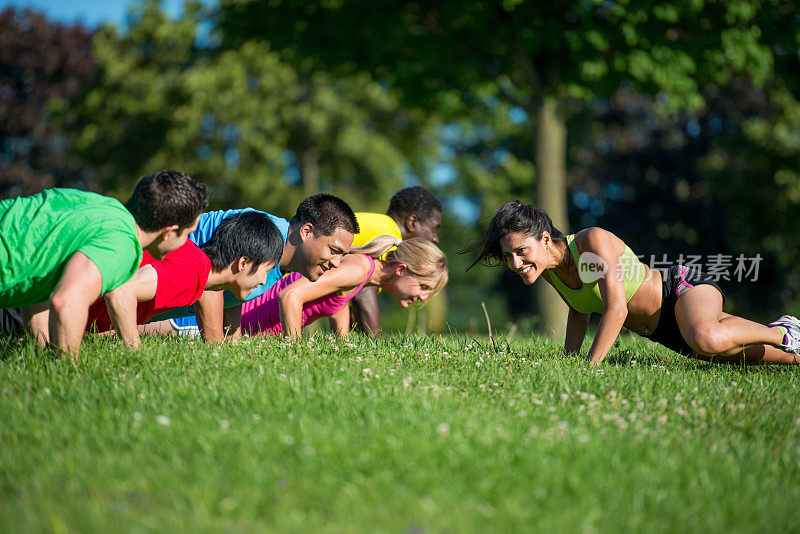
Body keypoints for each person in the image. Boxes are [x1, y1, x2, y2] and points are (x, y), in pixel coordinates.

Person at [467, 200, 800, 365]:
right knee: (780, 359)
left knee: (708, 338)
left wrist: (589, 367)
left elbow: (616, 309)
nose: (515, 263)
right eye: (509, 256)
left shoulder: (590, 242)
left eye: (521, 252)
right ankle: (790, 342)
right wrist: (569, 362)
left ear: (544, 238)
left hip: (679, 290)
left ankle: (782, 331)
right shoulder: (550, 270)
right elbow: (579, 312)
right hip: (662, 331)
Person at [0, 170, 208, 356]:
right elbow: (66, 301)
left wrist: (43, 355)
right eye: (188, 234)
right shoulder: (121, 243)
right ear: (169, 232)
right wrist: (65, 375)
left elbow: (38, 275)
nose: (187, 242)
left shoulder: (100, 206)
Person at [149, 236, 448, 339]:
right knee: (122, 332)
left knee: (132, 326)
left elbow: (337, 302)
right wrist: (294, 349)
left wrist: (341, 343)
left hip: (244, 329)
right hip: (234, 323)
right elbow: (291, 295)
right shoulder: (360, 268)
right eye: (424, 287)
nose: (423, 297)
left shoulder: (363, 272)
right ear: (401, 269)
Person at [157, 193, 360, 342]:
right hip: (142, 275)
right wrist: (216, 352)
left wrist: (233, 346)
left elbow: (232, 291)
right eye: (334, 250)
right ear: (306, 232)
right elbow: (211, 282)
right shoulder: (264, 234)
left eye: (342, 255)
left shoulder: (281, 255)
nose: (336, 262)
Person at [84, 212, 284, 348]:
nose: (264, 280)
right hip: (68, 307)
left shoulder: (195, 267)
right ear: (243, 263)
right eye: (266, 270)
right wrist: (134, 354)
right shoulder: (191, 272)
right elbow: (122, 291)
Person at [351, 186, 443, 335]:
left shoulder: (380, 224)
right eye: (434, 229)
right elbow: (363, 293)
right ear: (412, 222)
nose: (435, 238)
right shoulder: (387, 235)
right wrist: (376, 350)